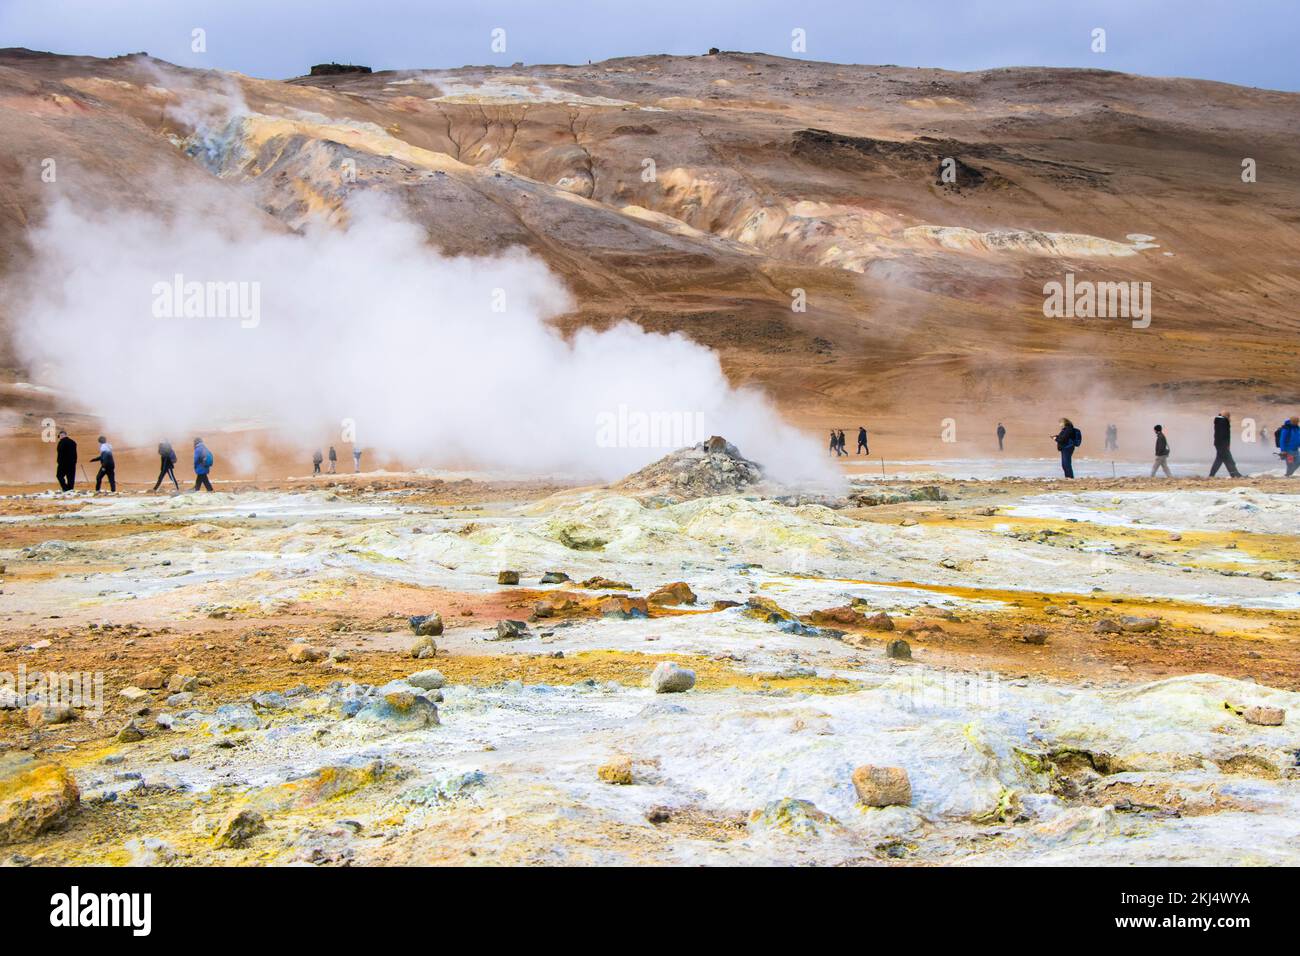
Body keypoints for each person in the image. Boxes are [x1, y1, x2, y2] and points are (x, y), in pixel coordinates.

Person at [1209, 410, 1242, 478]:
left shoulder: (1219, 421)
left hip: (1219, 444)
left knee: (1220, 460)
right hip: (1222, 445)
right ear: (1226, 416)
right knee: (1228, 459)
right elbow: (1224, 434)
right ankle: (1235, 474)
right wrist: (1226, 445)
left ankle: (1233, 474)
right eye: (1229, 416)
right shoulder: (1223, 421)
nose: (1230, 418)